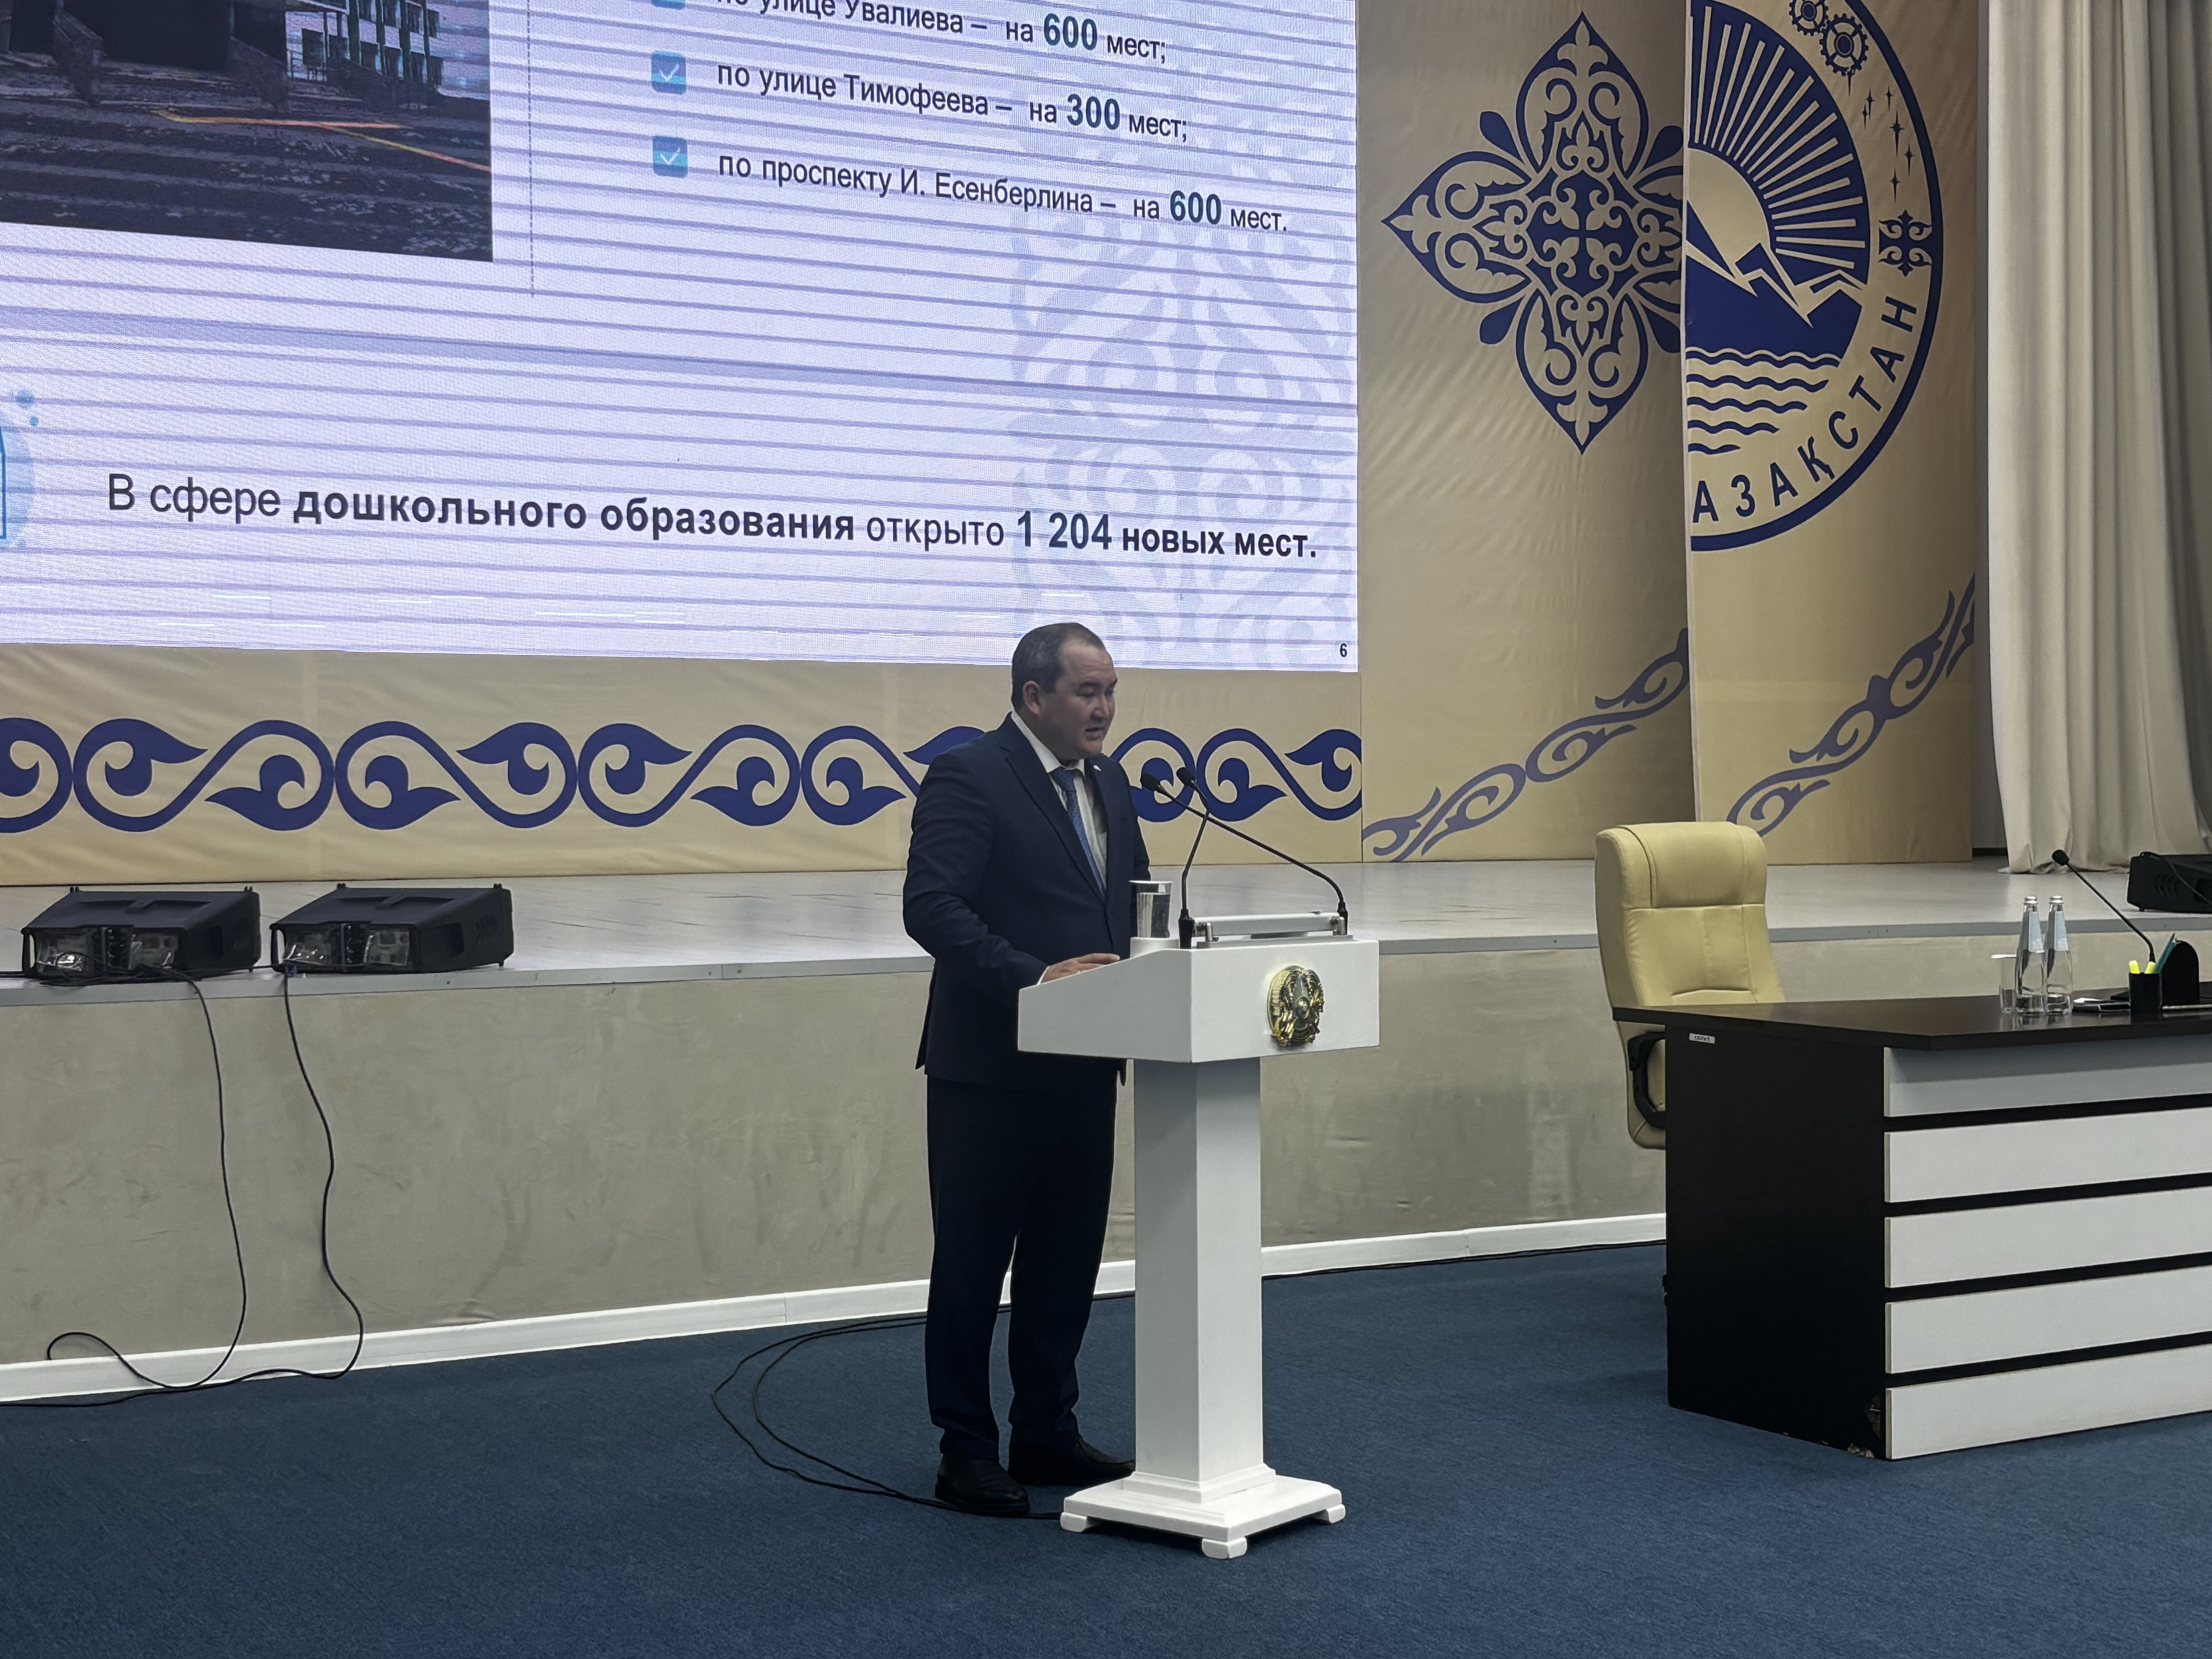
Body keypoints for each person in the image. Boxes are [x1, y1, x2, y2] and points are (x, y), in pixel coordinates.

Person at [902, 622, 1151, 1516]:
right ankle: (965, 1449)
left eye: (1111, 690)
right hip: (991, 1072)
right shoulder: (970, 775)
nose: (1105, 708)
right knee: (973, 1268)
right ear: (1034, 695)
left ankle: (1045, 1431)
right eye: (1088, 691)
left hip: (1085, 1064)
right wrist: (1037, 979)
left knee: (1063, 1264)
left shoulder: (1112, 782)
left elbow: (1132, 903)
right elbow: (931, 907)